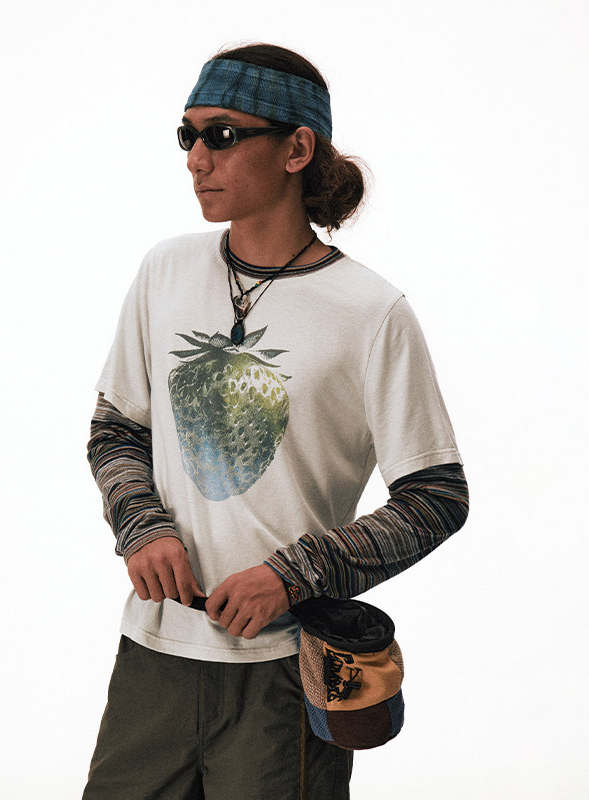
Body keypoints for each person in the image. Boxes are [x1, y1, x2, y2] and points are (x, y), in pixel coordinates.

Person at [82, 43, 469, 800]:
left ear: (297, 149)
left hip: (286, 674)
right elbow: (117, 427)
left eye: (222, 135)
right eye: (187, 134)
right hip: (154, 653)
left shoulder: (372, 312)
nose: (196, 158)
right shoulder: (165, 270)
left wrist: (291, 577)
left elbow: (437, 496)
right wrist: (142, 525)